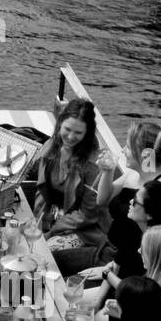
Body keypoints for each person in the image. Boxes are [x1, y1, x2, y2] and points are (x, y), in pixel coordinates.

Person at [32, 99, 108, 275]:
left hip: (83, 229)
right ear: (59, 124)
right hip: (51, 218)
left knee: (41, 256)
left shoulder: (93, 163)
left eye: (78, 132)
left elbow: (87, 214)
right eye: (67, 129)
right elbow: (41, 191)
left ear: (87, 133)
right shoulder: (51, 146)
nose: (71, 137)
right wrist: (36, 223)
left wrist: (52, 231)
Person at [95, 122, 161, 218]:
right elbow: (102, 200)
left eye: (128, 147)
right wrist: (108, 171)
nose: (122, 150)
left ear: (146, 155)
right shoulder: (132, 175)